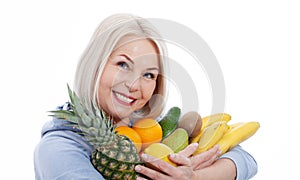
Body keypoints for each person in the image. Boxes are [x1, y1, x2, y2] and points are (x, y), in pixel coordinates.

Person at [34, 13, 257, 180]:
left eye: (148, 74)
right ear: (95, 64)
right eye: (123, 64)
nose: (133, 85)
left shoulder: (148, 127)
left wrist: (195, 177)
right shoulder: (58, 149)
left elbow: (244, 160)